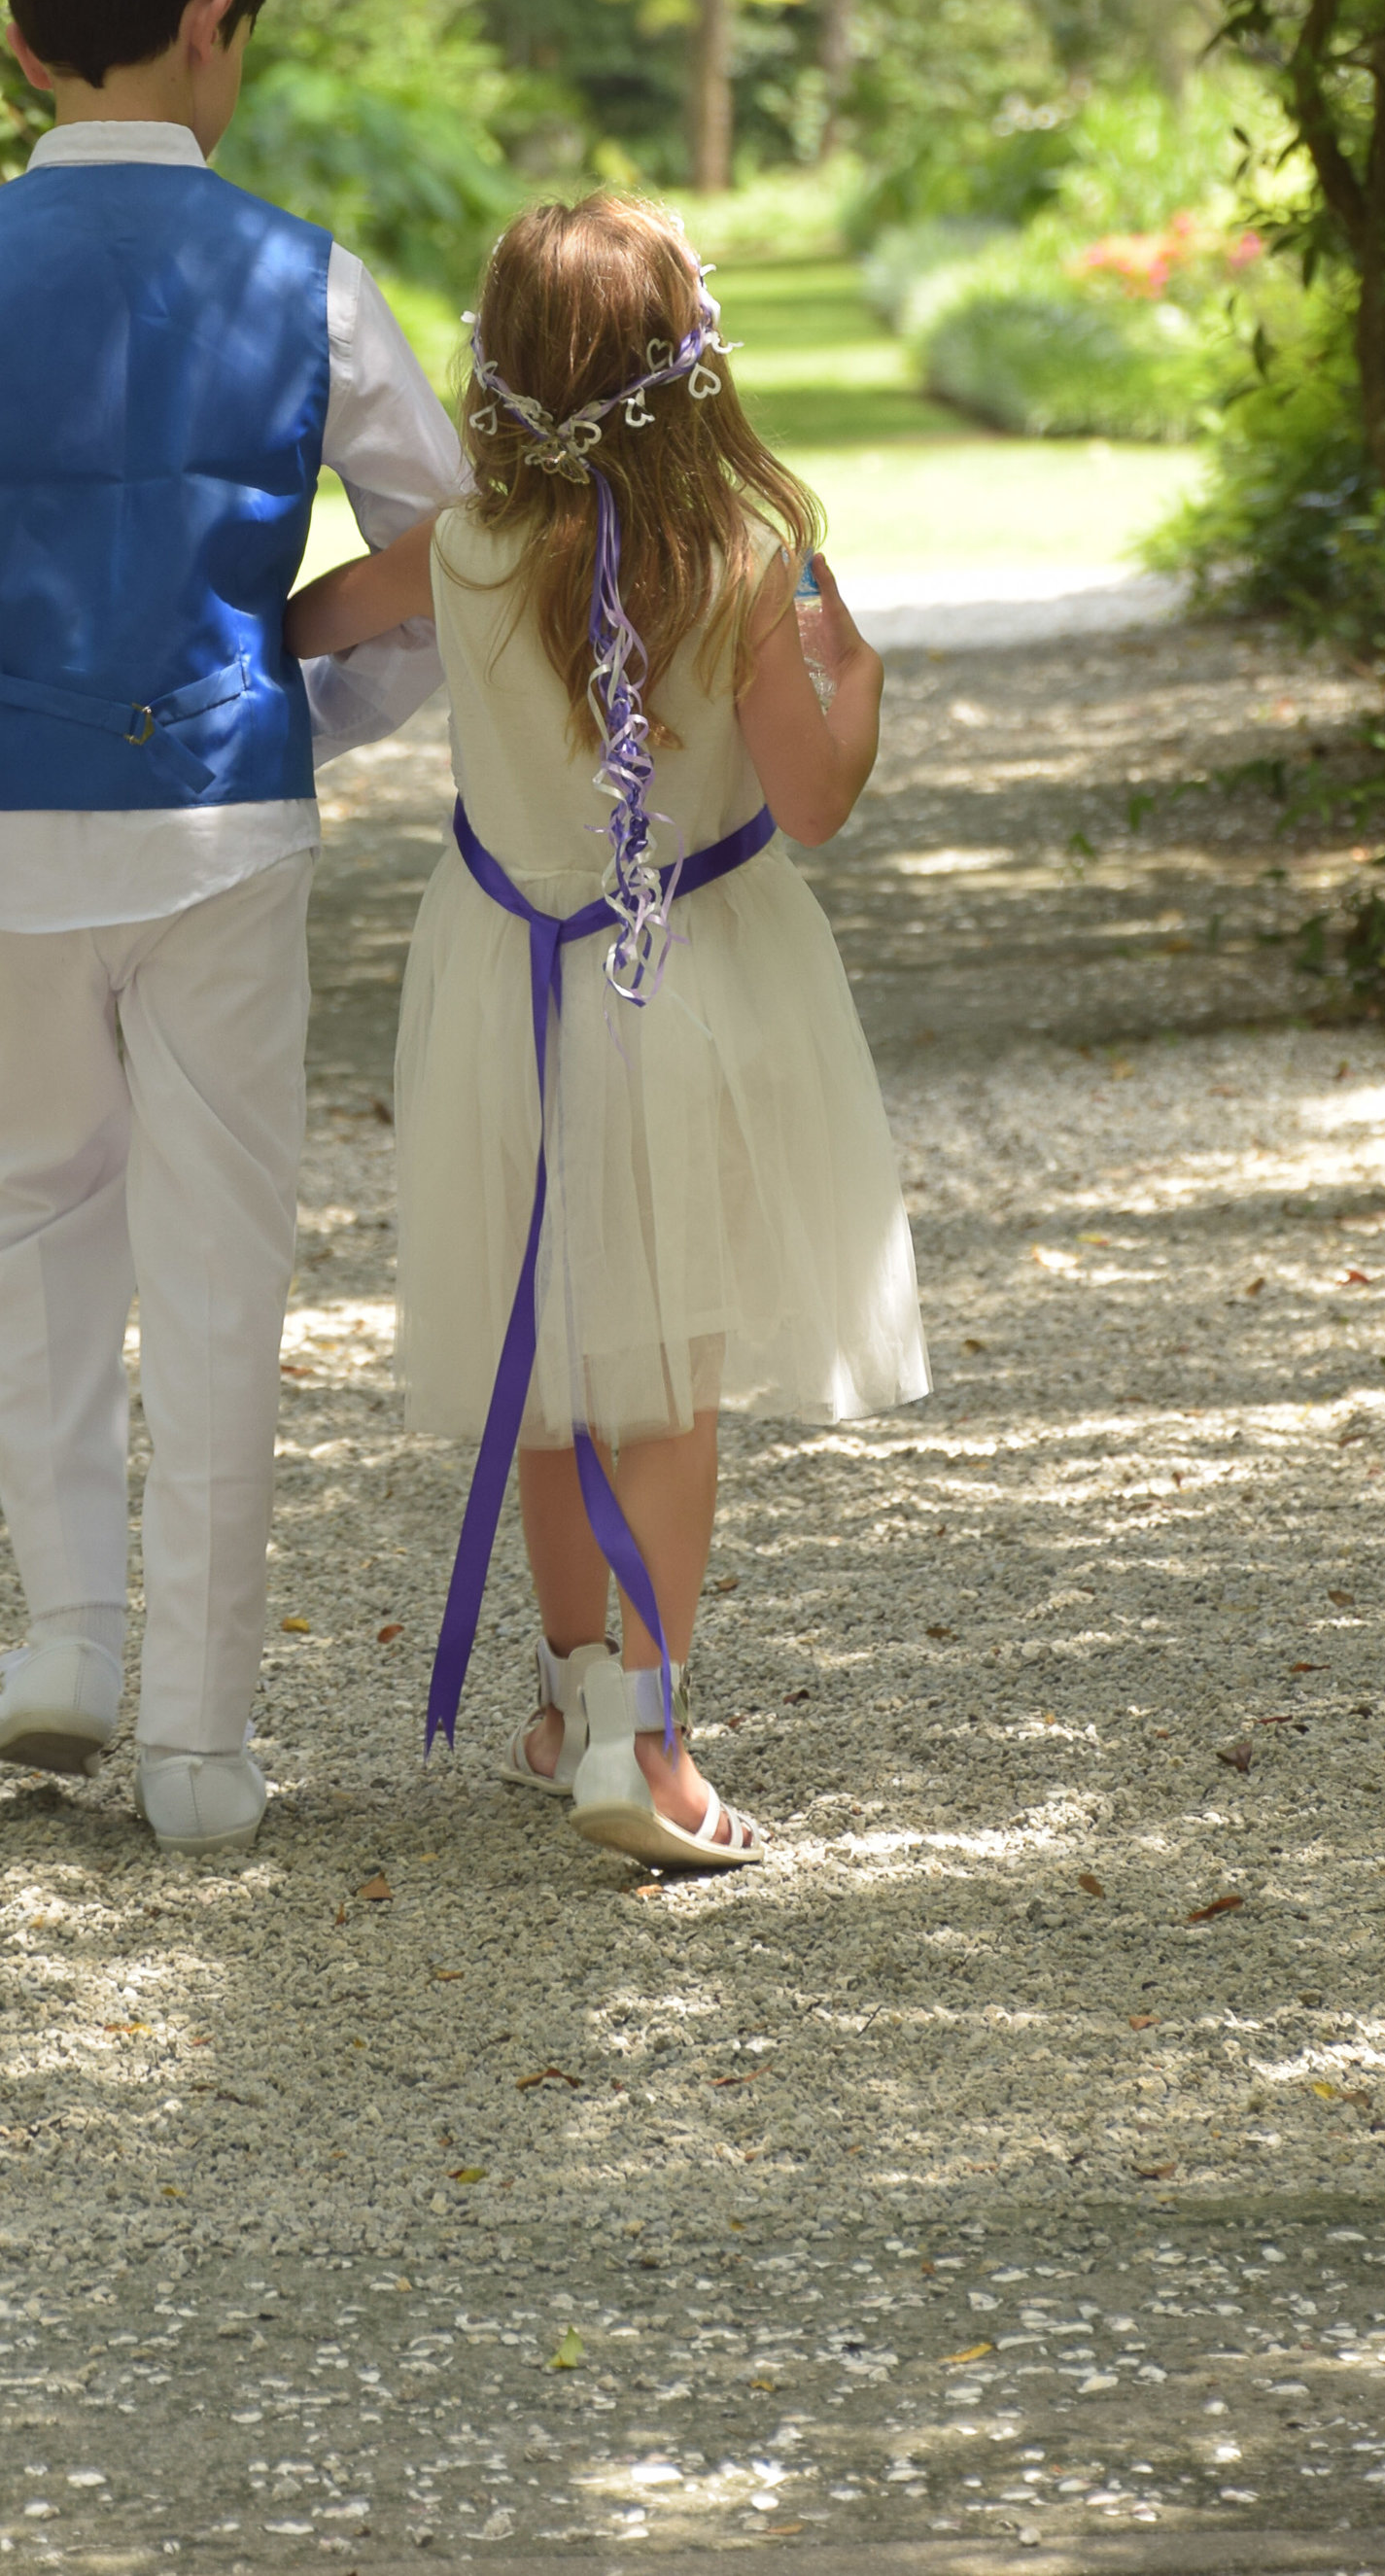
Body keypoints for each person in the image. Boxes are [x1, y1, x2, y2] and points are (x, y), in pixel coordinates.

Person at [0, 0, 465, 1855]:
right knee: (217, 1254)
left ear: (16, 43)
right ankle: (201, 1740)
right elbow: (452, 551)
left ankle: (69, 1630)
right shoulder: (306, 272)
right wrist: (313, 709)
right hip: (220, 819)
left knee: (33, 1213)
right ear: (212, 25)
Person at [286, 192, 925, 1868]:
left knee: (552, 1370)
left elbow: (294, 628)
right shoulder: (743, 558)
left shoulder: (463, 552)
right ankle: (641, 1749)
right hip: (693, 986)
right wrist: (857, 690)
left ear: (495, 369)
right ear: (687, 362)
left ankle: (580, 1704)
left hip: (505, 988)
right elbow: (808, 800)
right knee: (667, 1384)